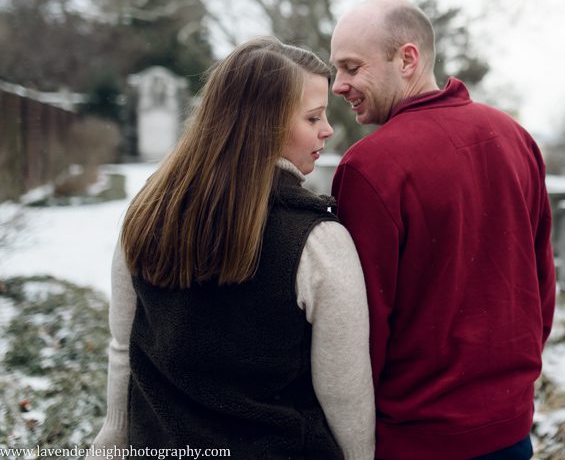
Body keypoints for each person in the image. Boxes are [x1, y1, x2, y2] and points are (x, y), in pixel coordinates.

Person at [92, 36, 375, 459]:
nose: (328, 130)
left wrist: (113, 439)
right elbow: (345, 393)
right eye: (314, 117)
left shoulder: (148, 214)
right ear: (266, 123)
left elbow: (124, 345)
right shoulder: (318, 242)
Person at [329, 0, 556, 460]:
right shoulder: (514, 137)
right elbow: (542, 286)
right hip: (511, 431)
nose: (339, 85)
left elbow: (358, 330)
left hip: (414, 441)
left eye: (352, 67)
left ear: (407, 59)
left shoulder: (371, 168)